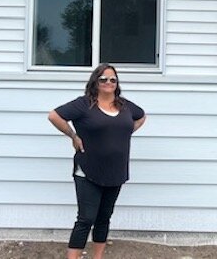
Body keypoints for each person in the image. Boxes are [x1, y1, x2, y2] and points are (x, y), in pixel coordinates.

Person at [48, 63, 146, 259]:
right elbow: (54, 116)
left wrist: (125, 132)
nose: (108, 83)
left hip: (115, 171)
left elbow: (142, 116)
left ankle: (97, 257)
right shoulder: (84, 104)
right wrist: (73, 137)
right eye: (103, 79)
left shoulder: (124, 105)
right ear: (95, 82)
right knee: (86, 219)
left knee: (104, 218)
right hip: (87, 170)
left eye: (112, 80)